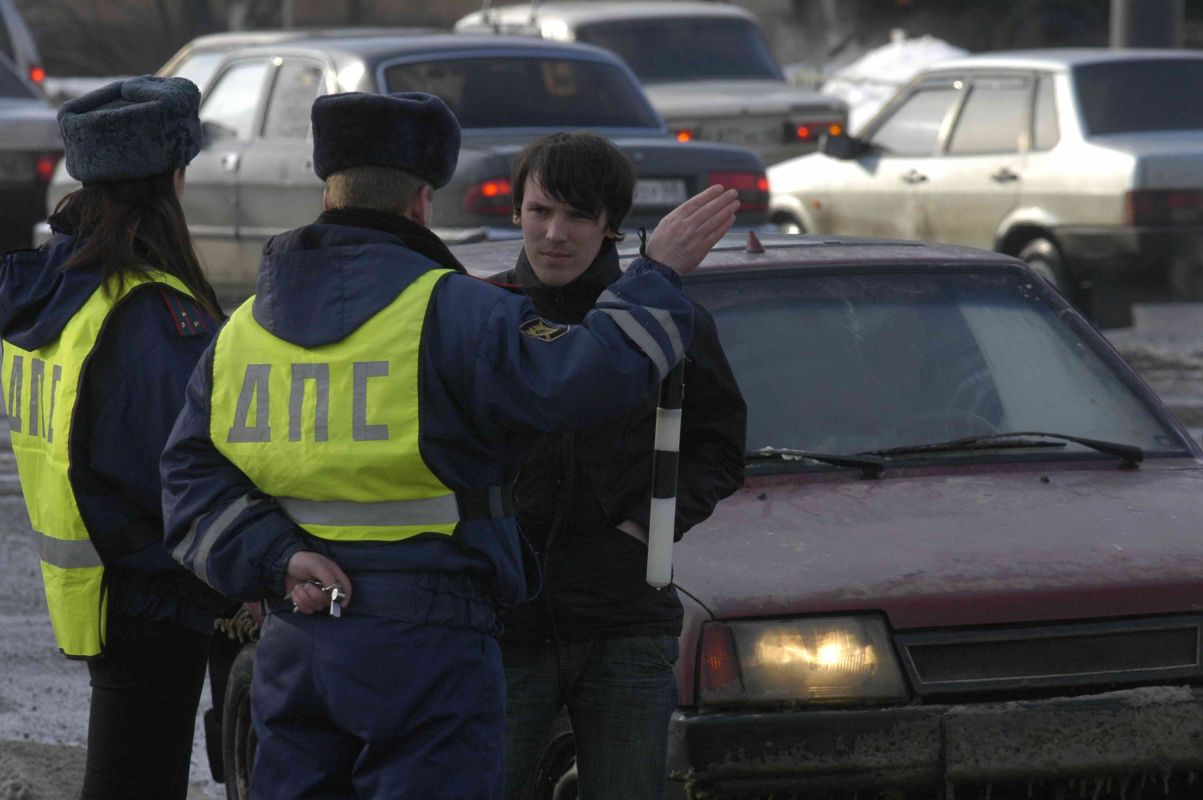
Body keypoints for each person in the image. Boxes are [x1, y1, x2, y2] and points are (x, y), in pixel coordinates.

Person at [160, 90, 740, 799]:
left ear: (328, 186)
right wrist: (658, 276)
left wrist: (276, 558)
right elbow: (583, 380)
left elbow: (187, 479)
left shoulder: (244, 331)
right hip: (427, 642)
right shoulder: (459, 311)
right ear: (421, 202)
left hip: (300, 633)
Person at [489, 131, 747, 799]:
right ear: (514, 211)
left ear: (610, 226)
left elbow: (718, 445)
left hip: (624, 621)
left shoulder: (671, 319)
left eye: (577, 215)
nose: (554, 233)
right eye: (539, 211)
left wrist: (644, 527)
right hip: (502, 625)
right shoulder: (483, 315)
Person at [0, 76, 232, 800]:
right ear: (169, 179)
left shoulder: (46, 287)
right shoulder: (148, 311)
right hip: (155, 586)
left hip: (96, 580)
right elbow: (186, 465)